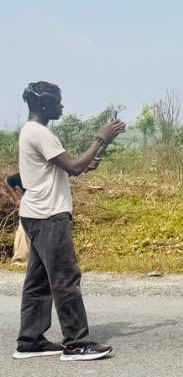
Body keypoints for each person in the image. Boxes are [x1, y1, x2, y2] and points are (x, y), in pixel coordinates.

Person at [14, 81, 125, 361]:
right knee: (65, 278)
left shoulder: (30, 131)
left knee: (39, 281)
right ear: (43, 104)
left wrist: (86, 162)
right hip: (49, 215)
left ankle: (30, 341)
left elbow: (64, 168)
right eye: (57, 102)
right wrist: (102, 138)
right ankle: (76, 343)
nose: (62, 106)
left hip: (36, 214)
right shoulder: (40, 133)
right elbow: (74, 167)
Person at [4, 173, 30, 264]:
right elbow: (8, 182)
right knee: (24, 232)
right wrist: (18, 200)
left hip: (48, 206)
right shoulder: (27, 173)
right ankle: (19, 260)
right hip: (29, 206)